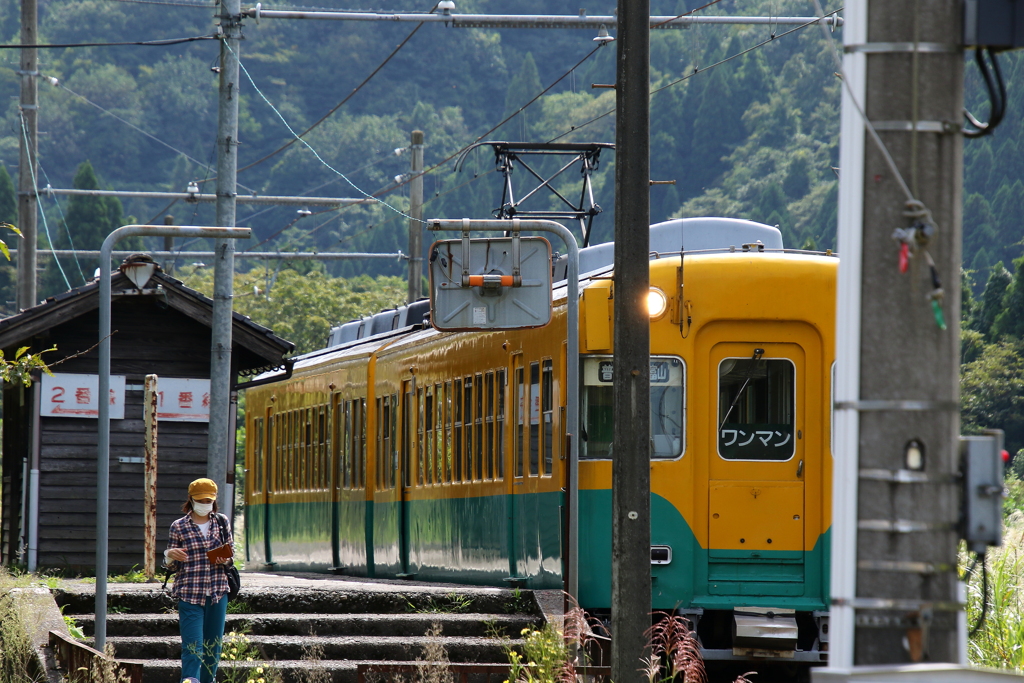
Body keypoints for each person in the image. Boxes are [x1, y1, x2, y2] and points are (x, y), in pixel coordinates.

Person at [165, 478, 234, 683]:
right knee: (193, 647)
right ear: (191, 500)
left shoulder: (221, 522)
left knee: (213, 646)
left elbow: (231, 555)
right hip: (189, 593)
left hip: (217, 592)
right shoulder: (179, 526)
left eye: (209, 500)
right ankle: (189, 681)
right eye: (200, 500)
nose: (205, 503)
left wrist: (226, 559)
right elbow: (172, 565)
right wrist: (169, 555)